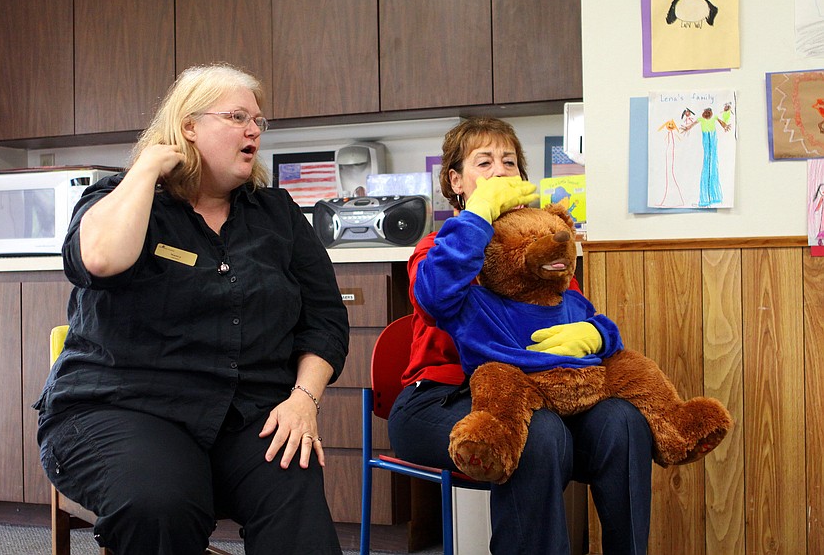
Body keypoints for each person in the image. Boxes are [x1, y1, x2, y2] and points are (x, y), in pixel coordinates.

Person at [34, 64, 350, 555]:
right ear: (188, 126)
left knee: (294, 484)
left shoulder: (278, 216)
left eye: (258, 122)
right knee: (160, 504)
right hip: (124, 408)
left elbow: (326, 321)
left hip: (246, 416)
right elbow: (100, 260)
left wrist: (303, 399)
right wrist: (145, 169)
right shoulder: (120, 200)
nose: (254, 131)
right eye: (237, 116)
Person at [387, 117, 653, 555]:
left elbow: (579, 315)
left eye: (509, 162)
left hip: (538, 394)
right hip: (438, 399)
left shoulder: (542, 251)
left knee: (623, 422)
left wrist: (597, 336)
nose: (499, 172)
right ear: (457, 181)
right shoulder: (436, 245)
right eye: (483, 162)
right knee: (537, 432)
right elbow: (433, 298)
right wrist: (477, 216)